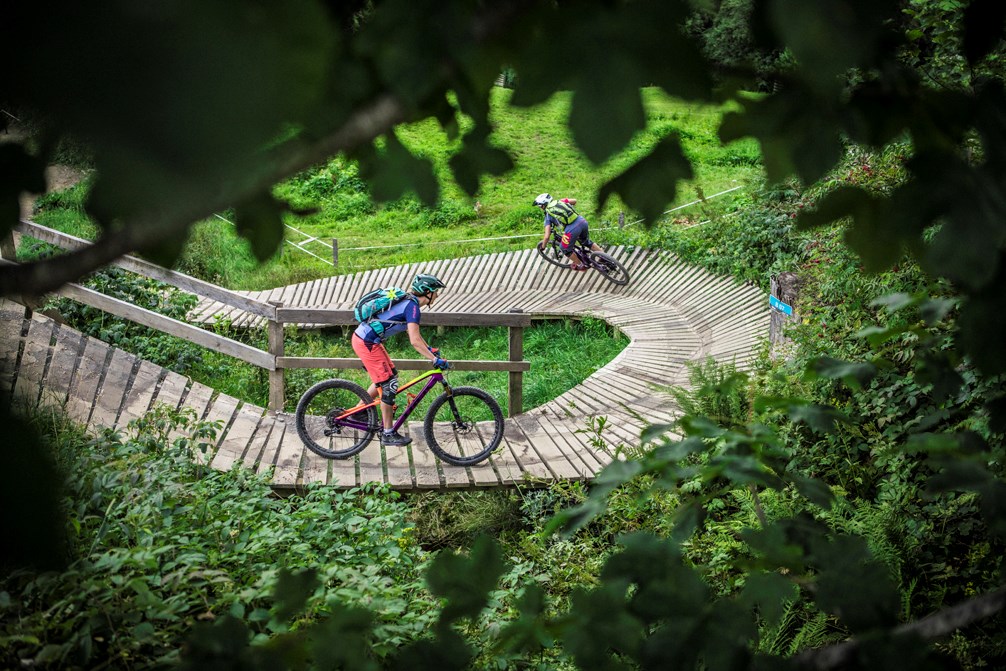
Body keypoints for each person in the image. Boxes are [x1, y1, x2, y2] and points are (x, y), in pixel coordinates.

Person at [351, 273, 448, 446]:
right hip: (366, 342)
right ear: (428, 292)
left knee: (390, 377)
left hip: (368, 340)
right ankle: (388, 433)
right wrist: (434, 359)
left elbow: (416, 336)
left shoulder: (410, 303)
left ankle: (359, 411)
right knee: (389, 385)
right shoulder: (412, 307)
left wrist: (430, 350)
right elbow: (414, 341)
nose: (437, 296)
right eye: (436, 292)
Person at [533, 193, 601, 271]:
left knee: (564, 249)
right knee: (586, 242)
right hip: (582, 221)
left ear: (543, 205)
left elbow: (547, 236)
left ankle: (581, 265)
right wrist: (565, 201)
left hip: (572, 229)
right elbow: (574, 201)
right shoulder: (560, 201)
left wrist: (543, 246)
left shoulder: (548, 216)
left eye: (540, 206)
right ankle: (604, 257)